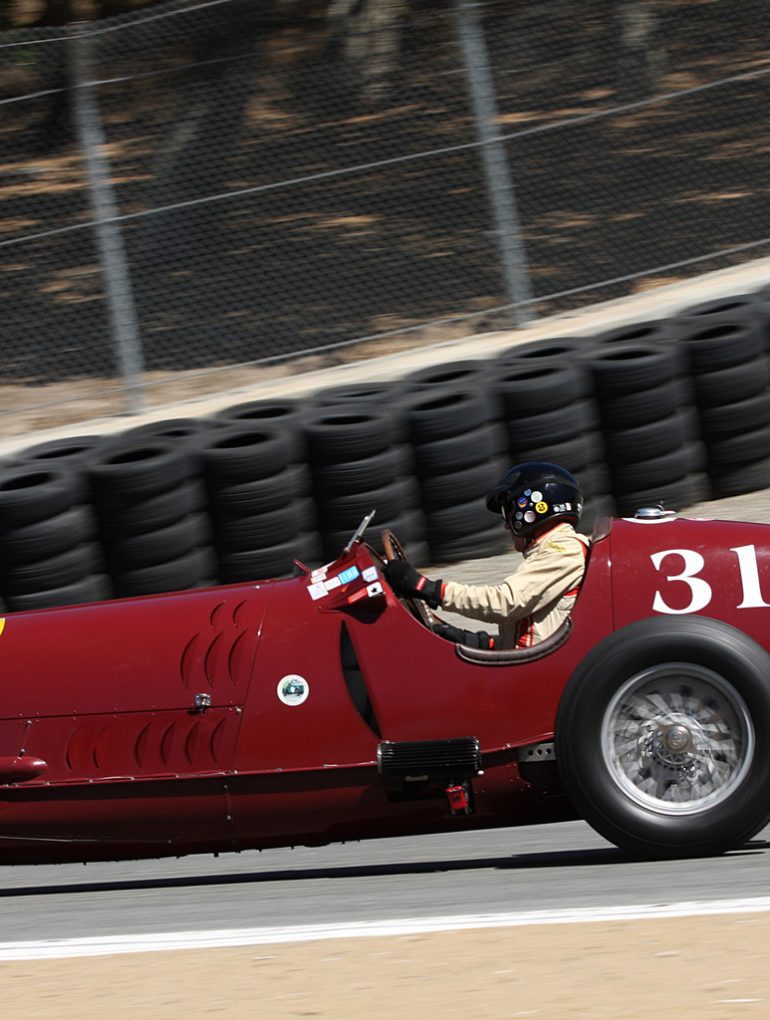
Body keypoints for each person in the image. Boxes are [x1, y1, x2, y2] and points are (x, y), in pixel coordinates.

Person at [383, 462, 590, 649]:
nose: (506, 524)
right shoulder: (554, 550)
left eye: (508, 511)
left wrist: (425, 588)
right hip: (534, 667)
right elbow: (530, 635)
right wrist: (476, 641)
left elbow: (506, 603)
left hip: (537, 676)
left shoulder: (563, 550)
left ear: (532, 509)